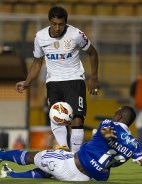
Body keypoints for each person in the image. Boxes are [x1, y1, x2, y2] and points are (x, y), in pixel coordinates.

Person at [0, 106, 142, 183]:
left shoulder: (108, 124)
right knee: (50, 168)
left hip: (71, 166)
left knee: (33, 156)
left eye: (115, 112)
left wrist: (109, 137)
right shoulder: (134, 143)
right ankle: (10, 173)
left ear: (119, 116)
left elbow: (105, 133)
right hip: (89, 177)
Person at [15, 6, 99, 153]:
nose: (57, 28)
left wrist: (93, 78)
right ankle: (63, 150)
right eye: (54, 24)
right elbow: (37, 63)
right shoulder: (40, 37)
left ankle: (76, 156)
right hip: (53, 82)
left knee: (77, 119)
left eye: (61, 24)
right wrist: (27, 82)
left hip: (74, 79)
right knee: (56, 116)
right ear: (49, 22)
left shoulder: (76, 34)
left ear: (65, 23)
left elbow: (93, 53)